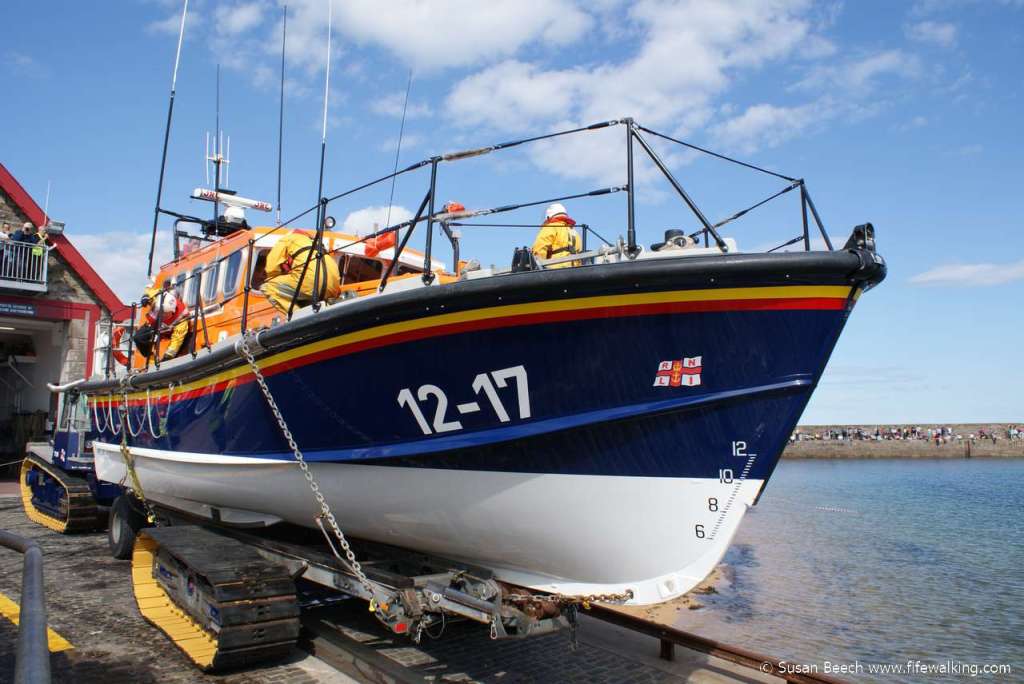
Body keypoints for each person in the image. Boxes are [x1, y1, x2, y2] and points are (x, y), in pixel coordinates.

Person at [261, 229, 341, 314]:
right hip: (334, 286)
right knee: (306, 292)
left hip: (310, 282)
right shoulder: (317, 244)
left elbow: (271, 267)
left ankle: (297, 316)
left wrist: (283, 274)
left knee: (268, 287)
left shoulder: (287, 239)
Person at [133, 282, 191, 361]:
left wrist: (168, 357)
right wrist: (145, 297)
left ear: (172, 311)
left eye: (165, 313)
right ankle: (150, 358)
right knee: (138, 338)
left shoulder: (181, 318)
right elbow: (149, 290)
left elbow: (177, 340)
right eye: (160, 312)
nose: (162, 315)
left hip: (169, 332)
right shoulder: (158, 297)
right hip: (154, 325)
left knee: (180, 347)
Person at [531, 203, 582, 269]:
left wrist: (536, 265)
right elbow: (580, 253)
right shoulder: (575, 233)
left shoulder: (551, 227)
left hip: (556, 269)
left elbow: (540, 248)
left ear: (549, 216)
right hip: (574, 270)